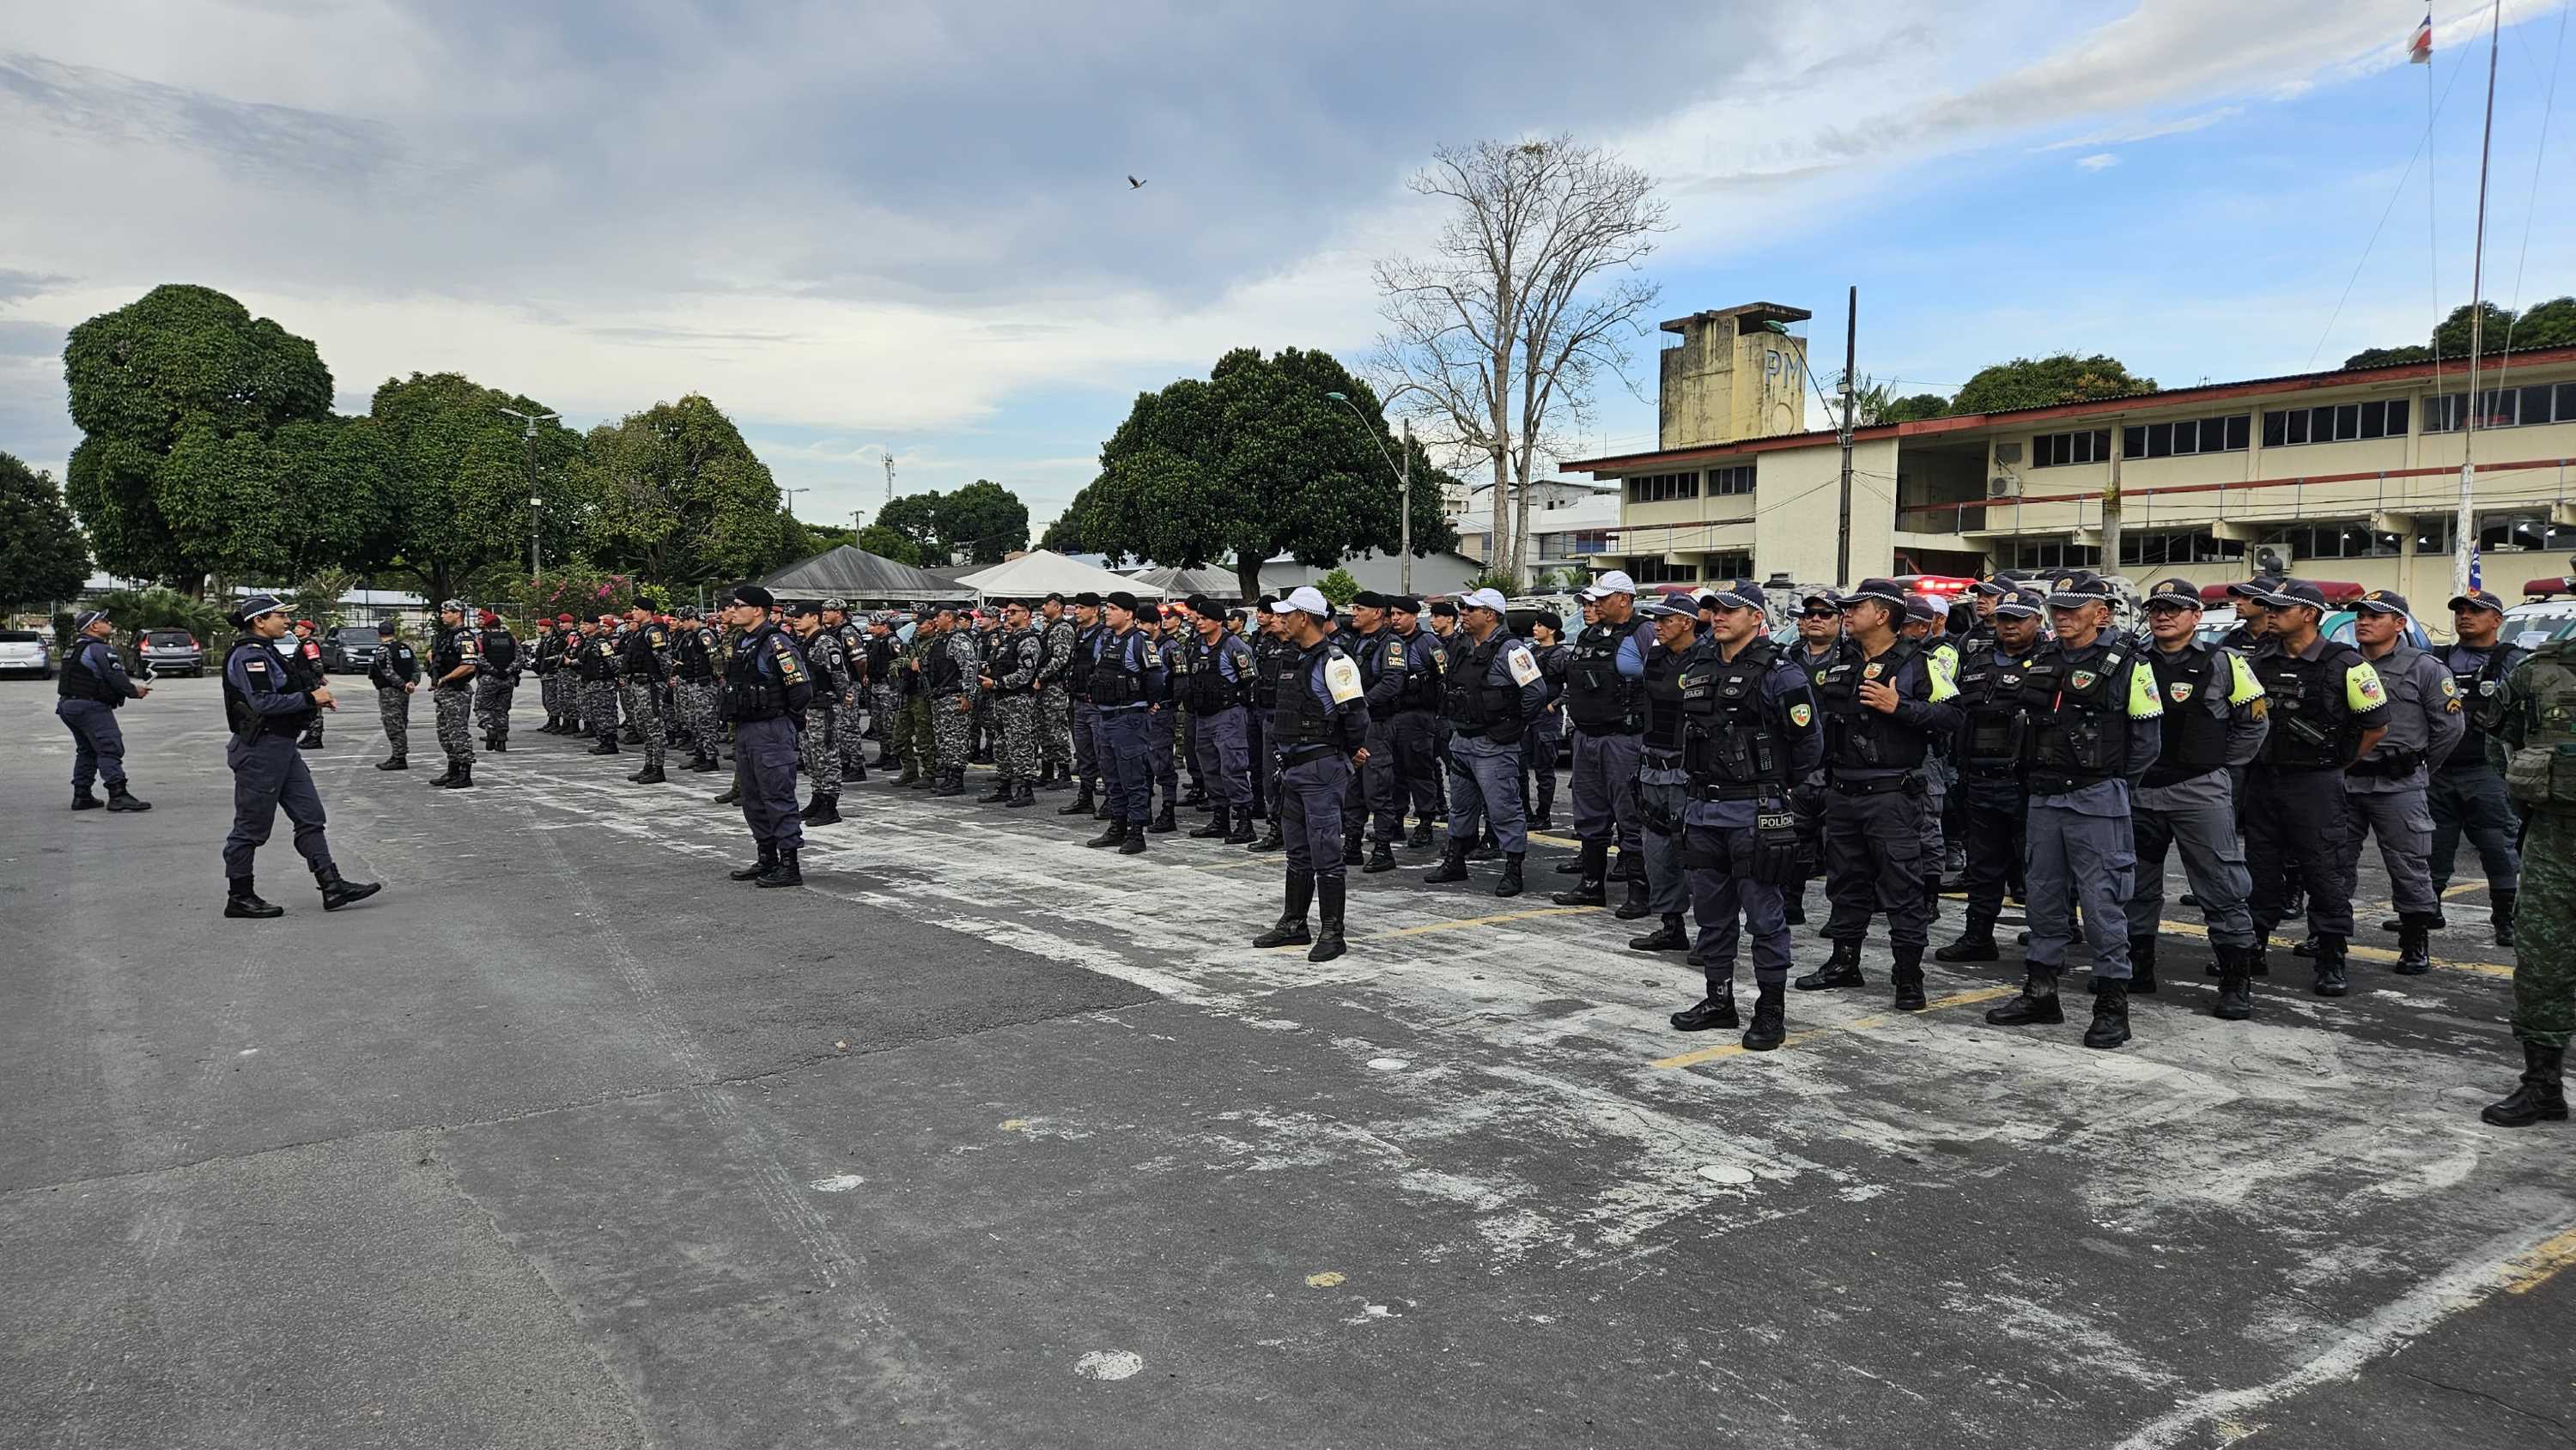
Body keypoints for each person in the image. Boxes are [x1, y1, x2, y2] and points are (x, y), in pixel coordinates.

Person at [1983, 573, 2163, 1049]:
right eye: (2057, 609)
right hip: (2043, 798)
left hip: (2096, 800)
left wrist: (2107, 785)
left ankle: (2111, 1006)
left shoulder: (2129, 664)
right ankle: (2041, 993)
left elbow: (2146, 744)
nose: (2061, 617)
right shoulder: (2043, 658)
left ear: (2100, 614)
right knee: (2042, 901)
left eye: (2072, 609)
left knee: (2103, 906)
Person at [1668, 579, 1823, 1049]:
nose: (1718, 616)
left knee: (1764, 917)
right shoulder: (1699, 666)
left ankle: (1770, 1009)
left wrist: (1773, 792)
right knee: (1712, 916)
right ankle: (1719, 1001)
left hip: (1757, 811)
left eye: (1730, 610)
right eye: (1713, 610)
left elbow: (1809, 746)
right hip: (1704, 808)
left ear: (1757, 617)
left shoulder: (1781, 673)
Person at [1800, 579, 1960, 1002]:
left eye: (1857, 607)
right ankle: (1843, 961)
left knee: (1902, 885)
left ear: (1884, 615)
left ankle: (1908, 976)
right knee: (1845, 881)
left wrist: (1900, 708)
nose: (1846, 613)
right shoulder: (1841, 660)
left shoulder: (1920, 662)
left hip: (1892, 794)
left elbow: (1954, 718)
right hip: (1843, 791)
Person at [2122, 579, 2269, 1016]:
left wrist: (2216, 765)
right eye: (2156, 609)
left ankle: (2234, 981)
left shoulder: (2224, 662)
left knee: (2222, 886)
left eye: (2174, 609)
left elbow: (2255, 723)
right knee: (2136, 887)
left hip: (2198, 793)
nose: (2163, 616)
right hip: (2142, 793)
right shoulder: (2131, 661)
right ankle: (2138, 968)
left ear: (2196, 617)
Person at [2243, 579, 2390, 995]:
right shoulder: (2258, 660)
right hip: (2265, 780)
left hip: (2317, 783)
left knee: (2324, 869)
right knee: (2261, 868)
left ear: (2308, 614)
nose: (2270, 613)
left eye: (2280, 608)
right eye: (2268, 607)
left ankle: (2331, 955)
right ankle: (2253, 946)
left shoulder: (2348, 664)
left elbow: (2376, 727)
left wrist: (2340, 763)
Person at [2314, 590, 2462, 975]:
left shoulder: (2424, 668)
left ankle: (2415, 941)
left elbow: (2449, 728)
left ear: (2399, 624)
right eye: (2360, 615)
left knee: (2409, 864)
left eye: (2375, 616)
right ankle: (2328, 938)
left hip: (2399, 783)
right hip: (2346, 782)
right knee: (2333, 863)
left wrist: (2419, 767)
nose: (2364, 621)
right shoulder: (2342, 664)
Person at [218, 593, 381, 918]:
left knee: (310, 816)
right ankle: (239, 895)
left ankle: (332, 885)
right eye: (281, 615)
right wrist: (311, 697)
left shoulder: (268, 652)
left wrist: (313, 697)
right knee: (251, 827)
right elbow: (263, 703)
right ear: (259, 621)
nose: (287, 620)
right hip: (260, 750)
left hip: (282, 748)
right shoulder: (250, 656)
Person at [1252, 586, 1371, 962]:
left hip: (1321, 766)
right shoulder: (1292, 657)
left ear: (1304, 617)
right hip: (1294, 767)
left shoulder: (1335, 662)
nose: (1279, 619)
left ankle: (1333, 932)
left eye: (1286, 614)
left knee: (1325, 852)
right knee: (1298, 852)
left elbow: (1356, 715)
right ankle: (1294, 924)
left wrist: (1350, 752)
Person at [2484, 636, 2576, 1125]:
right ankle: (2542, 1086)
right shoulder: (2537, 671)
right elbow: (2500, 741)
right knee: (2544, 963)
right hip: (2556, 839)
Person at [1937, 588, 2043, 963]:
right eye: (2004, 619)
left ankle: (2052, 936)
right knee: (1983, 865)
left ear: (2038, 622)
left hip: (2027, 782)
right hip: (1980, 778)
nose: (2009, 626)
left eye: (2018, 619)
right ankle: (1979, 936)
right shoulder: (1978, 659)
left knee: (2039, 865)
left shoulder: (2051, 661)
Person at [1426, 588, 1547, 896]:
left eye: (1470, 609)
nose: (1463, 614)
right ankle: (1455, 861)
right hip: (1462, 740)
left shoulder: (1513, 650)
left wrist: (1508, 725)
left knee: (1504, 808)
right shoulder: (1463, 646)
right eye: (1463, 609)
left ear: (1490, 614)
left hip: (1493, 745)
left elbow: (1536, 693)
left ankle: (1513, 868)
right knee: (1461, 806)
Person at [2425, 588, 2526, 946]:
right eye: (2460, 610)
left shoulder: (2514, 661)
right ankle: (2426, 912)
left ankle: (2505, 919)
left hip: (2486, 771)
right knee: (2433, 847)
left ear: (2496, 620)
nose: (2465, 616)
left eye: (2475, 611)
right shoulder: (2434, 659)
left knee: (2497, 847)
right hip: (2437, 771)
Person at [1552, 571, 1656, 911]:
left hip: (1624, 740)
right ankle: (1591, 885)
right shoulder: (1589, 634)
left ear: (1624, 599)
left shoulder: (1644, 634)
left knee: (1631, 815)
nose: (1595, 603)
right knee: (1589, 815)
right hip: (1587, 737)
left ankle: (1639, 892)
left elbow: (1661, 684)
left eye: (1602, 598)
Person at [1626, 598, 1713, 950]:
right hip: (1652, 766)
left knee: (1697, 856)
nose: (1657, 626)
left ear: (1688, 623)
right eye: (1656, 620)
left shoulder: (1708, 659)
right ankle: (1671, 925)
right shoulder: (1656, 657)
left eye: (1666, 620)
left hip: (1687, 770)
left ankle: (1712, 933)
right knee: (1657, 852)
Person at [716, 584, 814, 887]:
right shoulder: (744, 641)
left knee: (777, 796)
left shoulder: (776, 643)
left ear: (757, 610)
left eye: (738, 605)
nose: (732, 610)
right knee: (752, 798)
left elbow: (801, 690)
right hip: (747, 729)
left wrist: (786, 721)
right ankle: (767, 858)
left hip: (771, 729)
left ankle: (789, 864)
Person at [1785, 590, 1853, 925]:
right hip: (1798, 766)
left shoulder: (1853, 657)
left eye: (1825, 614)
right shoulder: (1787, 656)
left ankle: (1841, 917)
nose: (1815, 619)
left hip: (1838, 766)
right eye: (1809, 614)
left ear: (1840, 620)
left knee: (1840, 848)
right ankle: (1790, 904)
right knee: (1794, 840)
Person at [1084, 592, 1167, 854]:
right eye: (1106, 608)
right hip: (1106, 718)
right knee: (1111, 777)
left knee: (1134, 779)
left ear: (1129, 614)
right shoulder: (1108, 640)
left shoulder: (1139, 642)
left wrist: (1149, 703)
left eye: (1112, 608)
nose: (1106, 612)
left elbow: (1155, 678)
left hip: (1129, 718)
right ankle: (1117, 826)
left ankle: (1136, 832)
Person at [56, 608, 152, 811]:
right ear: (94, 626)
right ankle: (118, 794)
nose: (110, 623)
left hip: (68, 706)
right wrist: (135, 691)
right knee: (109, 747)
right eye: (104, 620)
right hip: (90, 707)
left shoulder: (73, 648)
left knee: (88, 750)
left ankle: (82, 795)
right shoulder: (99, 649)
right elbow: (115, 677)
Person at [1347, 592, 1412, 871]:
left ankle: (1384, 850)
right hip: (1354, 726)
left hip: (1377, 726)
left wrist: (1361, 703)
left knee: (1378, 790)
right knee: (1353, 790)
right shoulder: (1356, 642)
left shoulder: (1391, 644)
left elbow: (1392, 684)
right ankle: (1351, 845)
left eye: (1359, 608)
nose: (1353, 612)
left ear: (1377, 613)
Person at [1184, 598, 1256, 840]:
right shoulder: (1196, 645)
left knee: (1232, 769)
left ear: (1218, 621)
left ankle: (1245, 823)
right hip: (1203, 717)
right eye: (1199, 618)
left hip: (1228, 715)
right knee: (1210, 769)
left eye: (1205, 619)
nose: (1200, 622)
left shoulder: (1234, 646)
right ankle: (1220, 820)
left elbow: (1250, 681)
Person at [1386, 596, 1447, 848]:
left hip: (1419, 716)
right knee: (1394, 773)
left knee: (1420, 771)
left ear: (1414, 616)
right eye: (1392, 614)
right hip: (1392, 715)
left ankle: (1425, 823)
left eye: (1400, 614)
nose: (1395, 619)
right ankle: (1396, 822)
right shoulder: (1389, 641)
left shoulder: (1428, 643)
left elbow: (1445, 677)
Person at [785, 601, 848, 822]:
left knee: (826, 757)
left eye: (801, 616)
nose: (795, 619)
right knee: (812, 758)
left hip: (824, 708)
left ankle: (830, 806)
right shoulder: (803, 643)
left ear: (814, 618)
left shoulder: (825, 643)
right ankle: (818, 797)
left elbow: (840, 678)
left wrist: (837, 700)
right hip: (807, 709)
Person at [980, 598, 1046, 808]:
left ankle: (1026, 789)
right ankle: (1004, 786)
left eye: (1014, 612)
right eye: (1007, 612)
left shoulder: (1028, 640)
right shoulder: (1009, 639)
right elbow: (1001, 665)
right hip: (1001, 700)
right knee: (1001, 745)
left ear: (1026, 614)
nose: (1008, 615)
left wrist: (997, 683)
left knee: (1020, 744)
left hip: (1018, 699)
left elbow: (1026, 674)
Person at [927, 602, 983, 797]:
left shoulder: (959, 640)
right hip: (940, 697)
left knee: (956, 741)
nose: (935, 620)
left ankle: (957, 780)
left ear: (949, 617)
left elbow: (970, 670)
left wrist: (968, 696)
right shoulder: (940, 639)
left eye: (938, 616)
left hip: (954, 696)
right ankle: (950, 776)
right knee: (944, 741)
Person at [1059, 593, 1108, 817]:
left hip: (1096, 704)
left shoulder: (1103, 635)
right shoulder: (1079, 634)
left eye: (1080, 608)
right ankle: (1085, 797)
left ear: (1094, 610)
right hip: (1079, 702)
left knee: (1104, 754)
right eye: (1075, 607)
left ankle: (1110, 799)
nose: (1076, 611)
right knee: (1085, 755)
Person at [426, 599, 483, 788]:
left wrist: (445, 679)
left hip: (456, 692)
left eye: (446, 612)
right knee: (445, 734)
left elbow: (468, 666)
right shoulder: (446, 636)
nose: (442, 616)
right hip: (444, 692)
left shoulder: (464, 637)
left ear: (457, 614)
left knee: (458, 733)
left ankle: (465, 773)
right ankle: (453, 770)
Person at [615, 604, 672, 784]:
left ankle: (658, 768)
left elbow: (664, 660)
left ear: (647, 612)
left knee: (655, 727)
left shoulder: (653, 632)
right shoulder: (640, 632)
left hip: (651, 685)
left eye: (636, 609)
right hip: (638, 684)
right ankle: (649, 765)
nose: (633, 613)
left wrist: (661, 681)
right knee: (644, 727)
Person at [1522, 611, 1569, 832]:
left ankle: (1543, 815)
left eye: (1540, 625)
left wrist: (1555, 705)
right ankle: (1525, 812)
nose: (1535, 628)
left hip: (1546, 718)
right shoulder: (1531, 652)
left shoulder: (1561, 655)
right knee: (1520, 767)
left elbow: (1574, 686)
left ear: (1551, 630)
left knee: (1544, 770)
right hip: (1528, 717)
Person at [824, 599, 872, 788]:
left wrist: (857, 680)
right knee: (838, 728)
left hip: (848, 684)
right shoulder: (830, 632)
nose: (824, 613)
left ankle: (856, 765)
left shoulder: (848, 632)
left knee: (848, 727)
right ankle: (844, 763)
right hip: (836, 686)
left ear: (839, 613)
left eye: (828, 610)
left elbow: (860, 660)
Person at [671, 606, 725, 772]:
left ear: (691, 619)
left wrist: (718, 677)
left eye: (683, 620)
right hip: (692, 683)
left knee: (706, 721)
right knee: (694, 721)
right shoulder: (690, 636)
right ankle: (700, 754)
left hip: (704, 684)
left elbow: (715, 658)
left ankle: (710, 757)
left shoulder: (704, 634)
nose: (681, 624)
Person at [1036, 592, 1078, 790]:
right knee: (1044, 729)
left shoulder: (1062, 628)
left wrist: (1040, 676)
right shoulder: (1049, 628)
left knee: (1056, 729)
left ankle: (1064, 773)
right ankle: (1046, 770)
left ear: (1058, 606)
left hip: (1055, 686)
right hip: (1044, 686)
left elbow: (1060, 660)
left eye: (1047, 604)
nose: (1043, 607)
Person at [368, 618, 421, 771]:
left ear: (379, 634)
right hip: (404, 691)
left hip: (390, 691)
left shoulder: (383, 650)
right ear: (394, 632)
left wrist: (403, 685)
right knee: (401, 722)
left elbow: (387, 672)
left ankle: (399, 757)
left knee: (393, 723)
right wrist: (412, 683)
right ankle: (398, 755)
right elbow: (415, 668)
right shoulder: (405, 648)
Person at [570, 615, 623, 758]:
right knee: (595, 714)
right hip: (591, 682)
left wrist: (619, 678)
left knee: (605, 713)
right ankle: (603, 741)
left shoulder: (600, 642)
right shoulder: (588, 641)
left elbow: (611, 662)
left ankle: (610, 742)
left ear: (595, 626)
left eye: (586, 624)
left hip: (603, 683)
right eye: (581, 624)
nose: (582, 627)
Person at [866, 612, 907, 774]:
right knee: (878, 724)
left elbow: (902, 661)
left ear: (884, 626)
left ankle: (894, 756)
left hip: (889, 687)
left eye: (873, 625)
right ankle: (884, 753)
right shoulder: (876, 641)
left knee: (890, 724)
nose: (870, 629)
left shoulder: (893, 641)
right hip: (876, 685)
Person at [474, 609, 519, 752]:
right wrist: (507, 670)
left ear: (486, 626)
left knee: (482, 708)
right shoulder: (511, 638)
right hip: (507, 679)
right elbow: (520, 658)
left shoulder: (481, 639)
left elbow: (479, 658)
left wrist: (493, 670)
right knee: (502, 710)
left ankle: (490, 728)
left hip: (489, 678)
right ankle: (502, 739)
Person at [287, 619, 328, 749]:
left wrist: (320, 676)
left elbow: (316, 663)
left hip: (309, 680)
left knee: (315, 709)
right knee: (309, 708)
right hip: (303, 680)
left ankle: (315, 737)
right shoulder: (302, 643)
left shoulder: (309, 644)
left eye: (299, 627)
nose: (295, 629)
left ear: (308, 631)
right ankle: (310, 736)